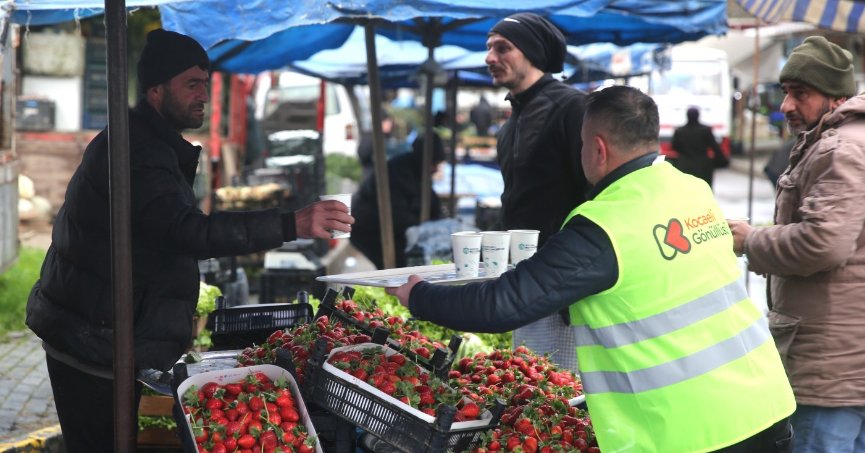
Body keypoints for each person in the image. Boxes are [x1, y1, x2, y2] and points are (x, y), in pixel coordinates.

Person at [388, 85, 796, 453]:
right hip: (766, 405)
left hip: (695, 433)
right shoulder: (692, 189)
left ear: (598, 149)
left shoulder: (604, 225)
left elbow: (503, 303)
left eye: (581, 143)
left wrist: (419, 294)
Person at [24, 29, 353, 452]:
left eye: (206, 83)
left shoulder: (148, 142)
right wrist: (292, 224)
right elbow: (188, 232)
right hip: (92, 338)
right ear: (156, 90)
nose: (204, 95)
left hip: (102, 333)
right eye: (192, 84)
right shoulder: (137, 152)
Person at [729, 36, 865, 452]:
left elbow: (824, 242)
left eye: (800, 93)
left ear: (836, 96)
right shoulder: (843, 141)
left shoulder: (840, 149)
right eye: (786, 92)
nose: (787, 105)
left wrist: (752, 240)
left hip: (831, 366)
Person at [486, 12, 588, 372]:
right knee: (535, 386)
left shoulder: (572, 108)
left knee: (565, 390)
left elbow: (595, 194)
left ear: (532, 53)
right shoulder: (511, 122)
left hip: (566, 288)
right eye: (489, 48)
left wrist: (573, 277)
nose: (490, 57)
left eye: (503, 48)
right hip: (525, 281)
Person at [350, 132, 445, 269]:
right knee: (398, 268)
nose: (435, 169)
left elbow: (431, 202)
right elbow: (397, 215)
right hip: (369, 228)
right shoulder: (399, 172)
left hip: (390, 228)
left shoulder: (418, 171)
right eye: (433, 163)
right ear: (424, 159)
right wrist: (426, 228)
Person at [670, 106, 726, 187]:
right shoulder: (705, 130)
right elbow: (715, 147)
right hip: (702, 166)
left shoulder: (679, 131)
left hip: (684, 164)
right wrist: (722, 160)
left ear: (687, 116)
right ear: (698, 116)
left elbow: (674, 147)